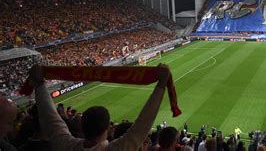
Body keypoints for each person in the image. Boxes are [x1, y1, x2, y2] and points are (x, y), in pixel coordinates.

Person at [29, 64, 171, 151]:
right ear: (108, 129)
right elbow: (142, 126)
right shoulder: (114, 149)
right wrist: (161, 84)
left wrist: (39, 84)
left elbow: (50, 119)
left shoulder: (66, 145)